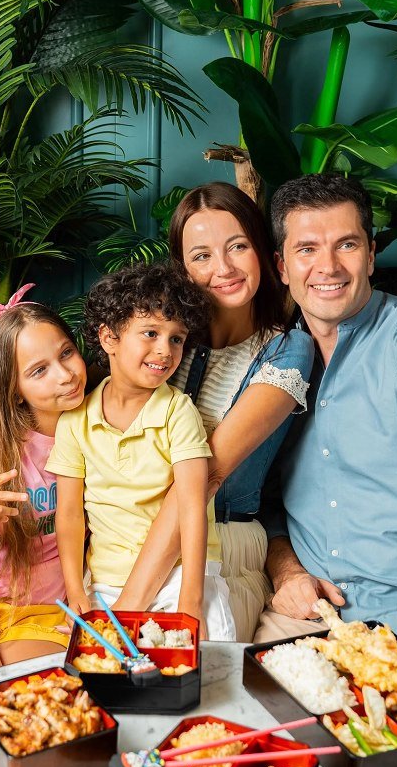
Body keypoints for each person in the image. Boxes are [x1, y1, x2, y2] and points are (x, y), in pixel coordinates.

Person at [254, 173, 397, 698]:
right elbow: (262, 505)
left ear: (372, 254)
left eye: (347, 245)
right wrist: (287, 572)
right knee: (253, 713)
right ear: (282, 266)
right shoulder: (275, 365)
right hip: (311, 618)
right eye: (307, 249)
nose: (328, 266)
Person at [110, 182, 314, 641]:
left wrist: (127, 608)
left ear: (262, 250)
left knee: (178, 671)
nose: (223, 268)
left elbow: (207, 477)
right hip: (124, 545)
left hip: (220, 550)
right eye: (201, 256)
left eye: (238, 246)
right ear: (182, 269)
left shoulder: (287, 350)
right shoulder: (163, 344)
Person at [47, 261, 235, 640]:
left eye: (177, 339)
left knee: (206, 654)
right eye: (150, 333)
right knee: (99, 667)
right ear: (109, 338)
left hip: (182, 573)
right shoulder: (75, 422)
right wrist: (75, 589)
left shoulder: (178, 411)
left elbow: (192, 507)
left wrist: (191, 600)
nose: (165, 350)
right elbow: (68, 516)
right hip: (107, 579)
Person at [0, 286, 87, 682]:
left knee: (27, 701)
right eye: (39, 370)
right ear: (14, 390)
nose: (65, 375)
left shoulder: (99, 428)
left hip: (42, 610)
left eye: (66, 353)